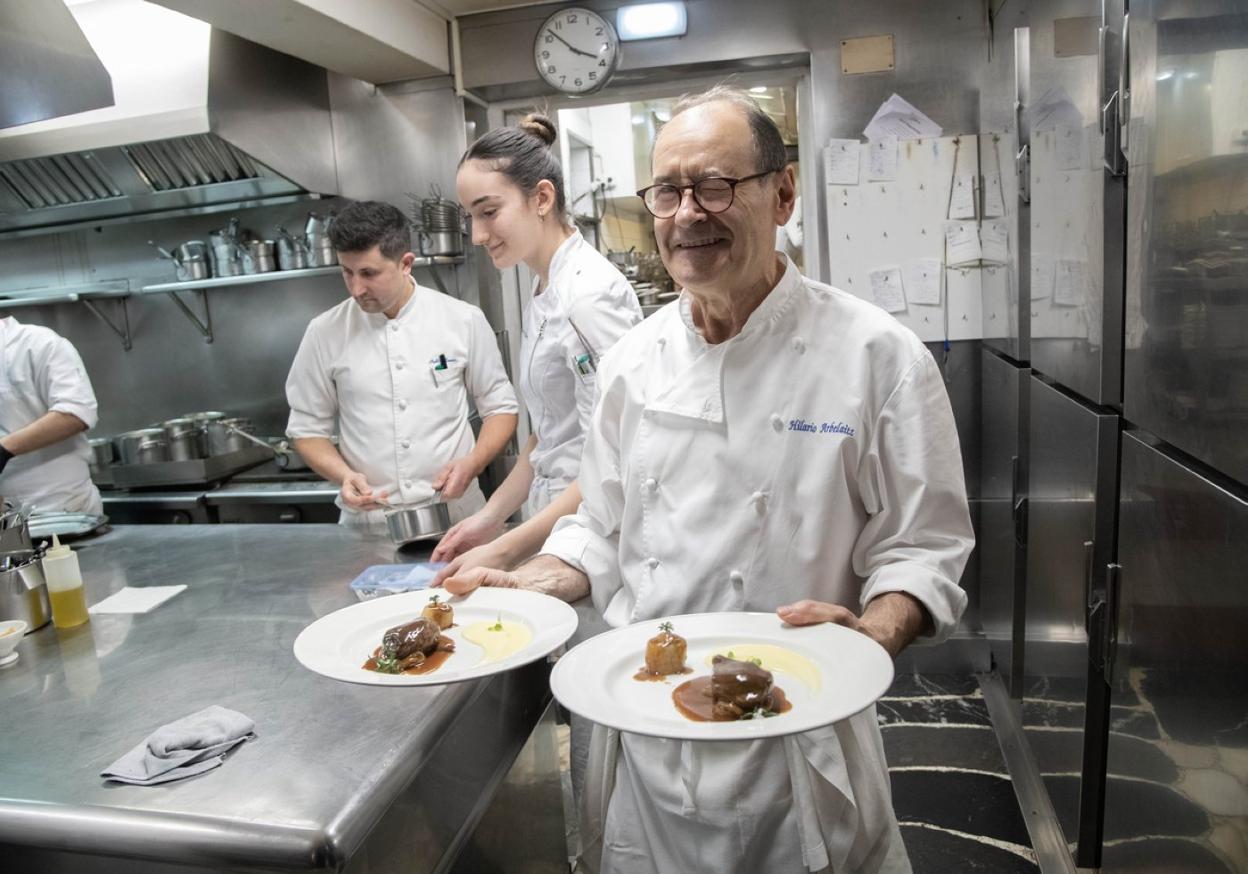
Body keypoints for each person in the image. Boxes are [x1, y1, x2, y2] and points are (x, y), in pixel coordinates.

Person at [445, 86, 974, 873]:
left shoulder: (876, 357)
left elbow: (924, 547)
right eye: (667, 191)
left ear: (782, 193)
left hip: (801, 744)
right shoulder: (633, 363)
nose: (687, 213)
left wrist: (875, 632)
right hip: (651, 736)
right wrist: (540, 576)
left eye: (717, 186)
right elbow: (602, 525)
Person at [431, 114, 641, 573]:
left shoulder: (587, 296)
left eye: (489, 212)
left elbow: (614, 455)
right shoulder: (545, 286)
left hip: (594, 535)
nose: (477, 235)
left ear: (542, 198)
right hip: (555, 522)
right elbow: (548, 437)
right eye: (471, 216)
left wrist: (507, 550)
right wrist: (488, 520)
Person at [285, 200, 518, 529]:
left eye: (369, 273)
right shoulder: (324, 332)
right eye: (346, 273)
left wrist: (473, 463)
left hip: (456, 516)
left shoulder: (461, 319)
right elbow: (307, 428)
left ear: (406, 263)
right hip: (370, 522)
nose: (356, 288)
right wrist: (344, 475)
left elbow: (501, 408)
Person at [0, 317, 103, 515]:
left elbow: (76, 411)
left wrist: (5, 449)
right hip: (7, 522)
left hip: (62, 510)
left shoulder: (38, 343)